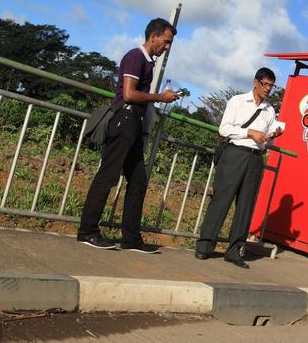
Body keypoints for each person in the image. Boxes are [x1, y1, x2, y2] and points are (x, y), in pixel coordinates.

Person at [77, 18, 179, 252]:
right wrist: (160, 97)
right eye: (166, 41)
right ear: (153, 37)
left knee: (138, 181)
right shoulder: (135, 57)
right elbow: (129, 94)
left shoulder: (147, 62)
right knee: (108, 175)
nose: (167, 47)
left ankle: (131, 238)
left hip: (133, 123)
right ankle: (87, 231)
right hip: (124, 120)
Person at [195, 68, 283, 268]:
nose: (268, 89)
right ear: (256, 82)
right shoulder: (237, 101)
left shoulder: (270, 110)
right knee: (221, 200)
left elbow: (263, 139)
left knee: (246, 206)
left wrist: (271, 135)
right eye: (265, 84)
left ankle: (234, 251)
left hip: (255, 158)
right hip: (235, 153)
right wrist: (249, 132)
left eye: (271, 85)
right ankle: (205, 246)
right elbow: (224, 129)